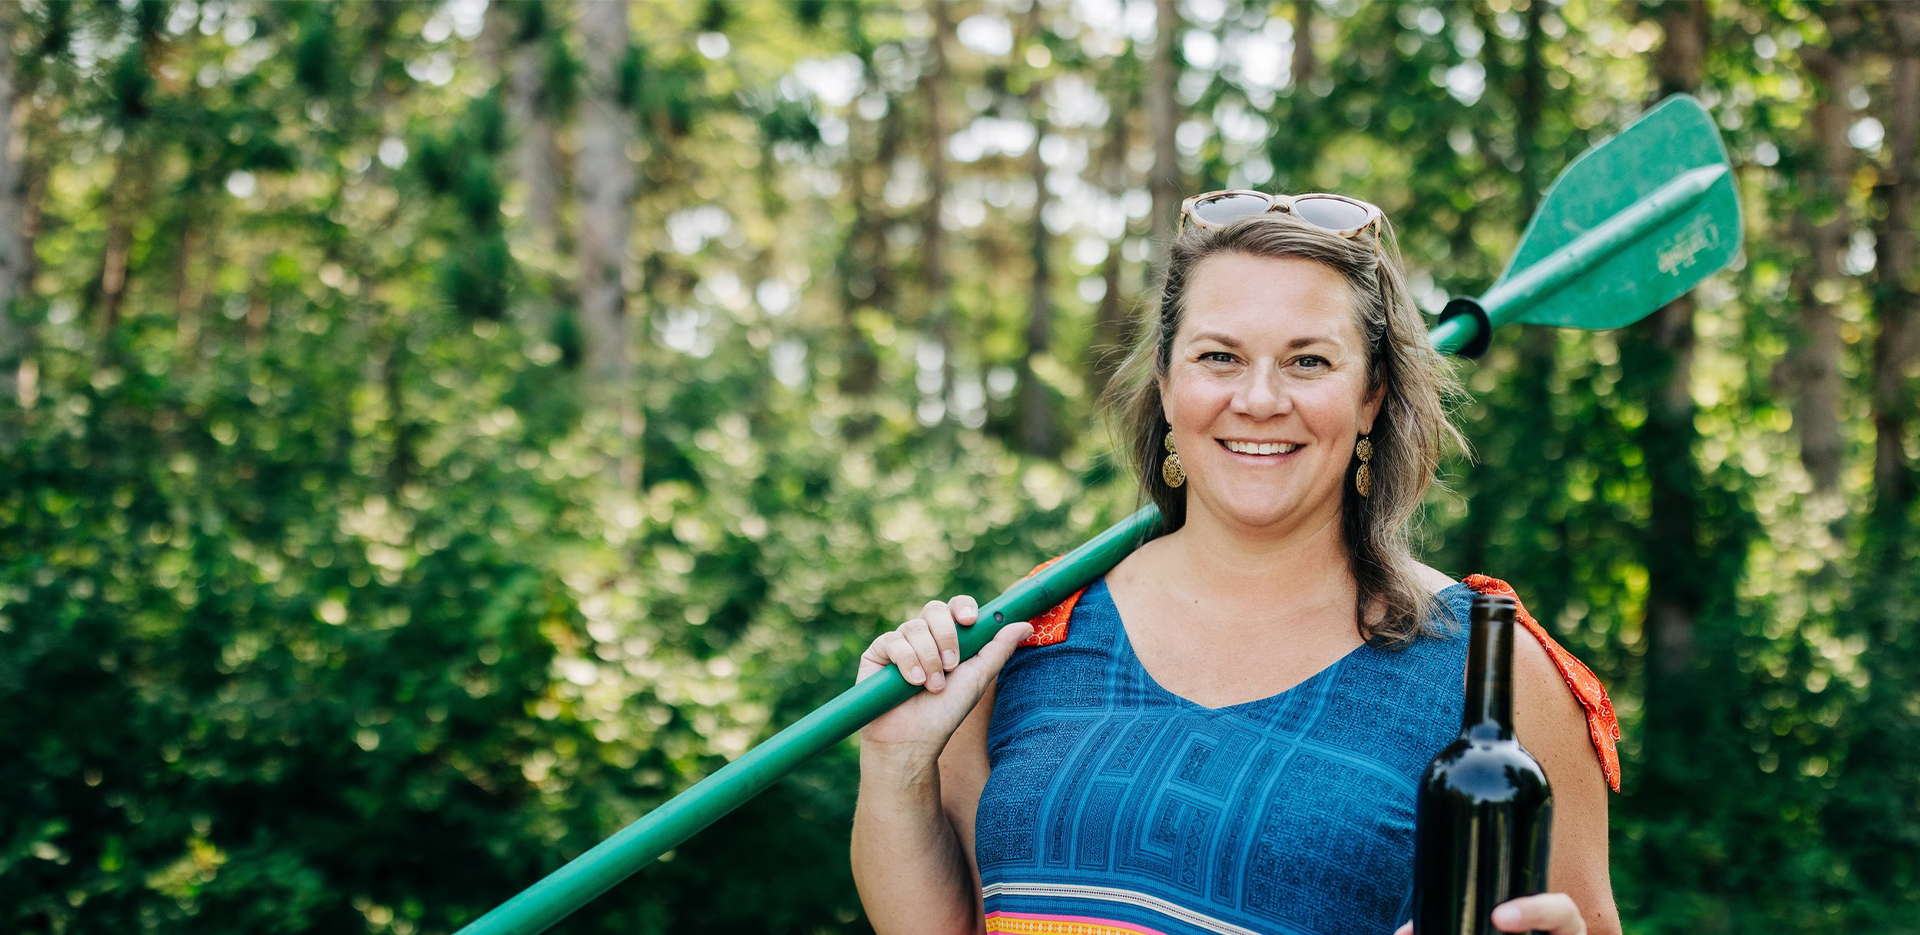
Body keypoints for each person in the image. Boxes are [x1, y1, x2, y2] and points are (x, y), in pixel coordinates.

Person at [849, 192, 1623, 935]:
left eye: (1309, 361)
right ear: (1165, 379)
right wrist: (895, 762)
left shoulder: (1491, 668)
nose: (1258, 398)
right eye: (1219, 355)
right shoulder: (1035, 625)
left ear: (1372, 396)